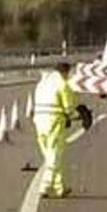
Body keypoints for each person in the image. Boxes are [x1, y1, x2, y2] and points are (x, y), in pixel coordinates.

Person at [33, 61, 78, 198]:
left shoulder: (42, 83)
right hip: (54, 121)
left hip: (38, 120)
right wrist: (75, 115)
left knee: (49, 154)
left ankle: (60, 188)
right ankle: (44, 187)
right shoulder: (62, 84)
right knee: (54, 154)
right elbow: (69, 108)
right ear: (65, 72)